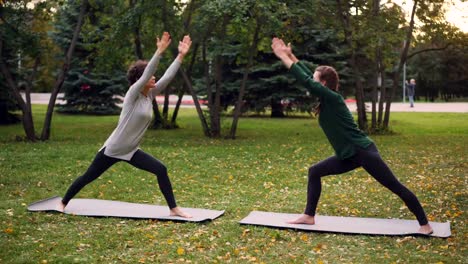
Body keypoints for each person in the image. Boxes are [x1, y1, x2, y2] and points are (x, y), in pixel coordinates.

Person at [270, 37, 433, 234]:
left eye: (316, 78)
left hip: (362, 151)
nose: (313, 80)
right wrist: (290, 55)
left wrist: (283, 57)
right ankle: (309, 216)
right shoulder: (326, 97)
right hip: (348, 154)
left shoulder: (332, 98)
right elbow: (307, 75)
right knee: (315, 171)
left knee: (394, 186)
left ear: (323, 83)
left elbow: (306, 80)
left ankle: (425, 224)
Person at [57, 32, 192, 218]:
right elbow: (146, 74)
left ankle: (173, 209)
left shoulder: (149, 95)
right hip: (113, 149)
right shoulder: (133, 94)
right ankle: (63, 202)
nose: (154, 78)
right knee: (89, 177)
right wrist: (159, 52)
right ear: (140, 80)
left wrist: (180, 55)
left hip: (132, 150)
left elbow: (168, 77)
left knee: (161, 169)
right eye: (151, 76)